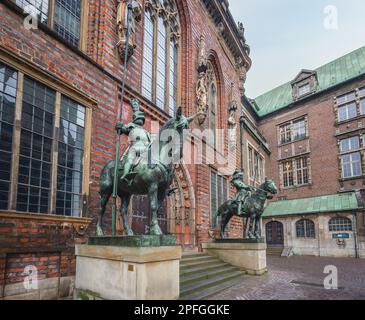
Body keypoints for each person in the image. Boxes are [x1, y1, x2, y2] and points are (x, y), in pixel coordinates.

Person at [115, 99, 151, 182]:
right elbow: (122, 130)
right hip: (135, 146)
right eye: (139, 118)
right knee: (130, 158)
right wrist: (119, 127)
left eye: (142, 119)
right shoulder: (131, 126)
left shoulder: (146, 131)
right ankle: (125, 174)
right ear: (135, 118)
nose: (141, 120)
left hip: (146, 148)